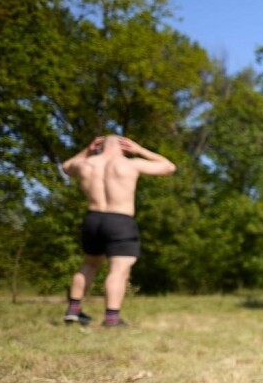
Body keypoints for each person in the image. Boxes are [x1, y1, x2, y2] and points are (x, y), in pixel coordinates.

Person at [60, 134, 176, 328]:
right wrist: (139, 150)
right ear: (124, 147)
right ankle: (112, 318)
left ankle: (73, 309)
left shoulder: (85, 164)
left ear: (98, 147)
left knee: (89, 265)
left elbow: (66, 167)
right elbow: (169, 167)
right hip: (120, 220)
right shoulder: (130, 164)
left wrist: (86, 150)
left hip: (93, 219)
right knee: (119, 270)